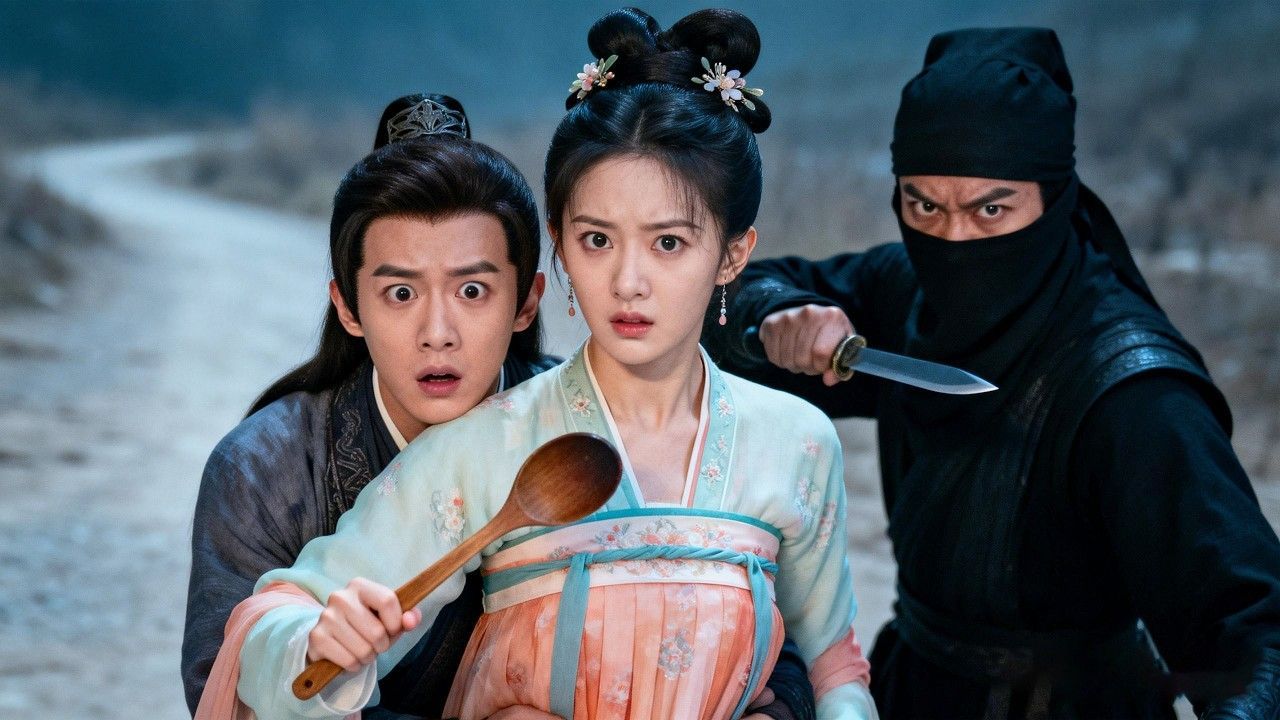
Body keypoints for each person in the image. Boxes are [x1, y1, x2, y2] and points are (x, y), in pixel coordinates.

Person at [218, 8, 876, 720]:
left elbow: (834, 664)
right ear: (558, 243)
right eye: (597, 241)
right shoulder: (490, 444)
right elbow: (283, 613)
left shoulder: (797, 441)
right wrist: (322, 636)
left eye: (668, 243)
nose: (628, 282)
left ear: (734, 254)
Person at [707, 27, 1280, 719]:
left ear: (1052, 198)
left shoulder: (1135, 394)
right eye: (924, 204)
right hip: (914, 686)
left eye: (991, 208)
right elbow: (723, 300)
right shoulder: (905, 290)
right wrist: (777, 314)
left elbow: (1257, 640)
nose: (953, 239)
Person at [181, 94, 554, 719]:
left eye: (472, 290)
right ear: (348, 307)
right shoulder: (262, 468)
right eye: (401, 293)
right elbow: (222, 688)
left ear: (526, 302)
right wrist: (308, 651)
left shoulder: (575, 425)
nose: (438, 333)